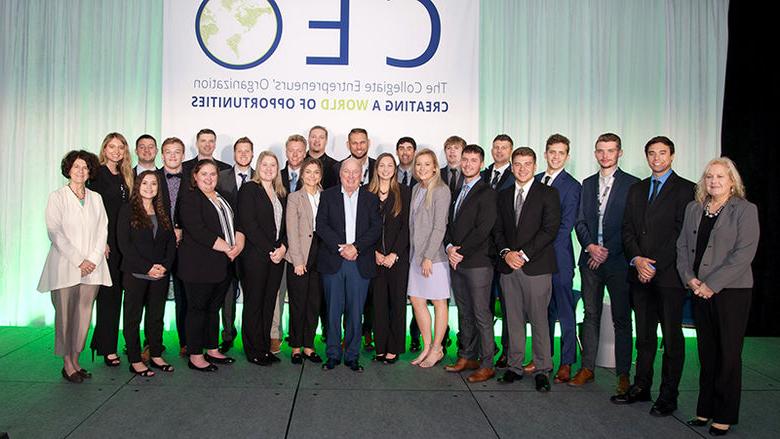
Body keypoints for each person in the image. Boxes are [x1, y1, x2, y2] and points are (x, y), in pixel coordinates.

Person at [676, 157, 759, 436]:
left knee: (728, 355)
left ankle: (724, 414)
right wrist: (690, 279)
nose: (714, 181)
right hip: (699, 289)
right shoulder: (694, 208)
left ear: (732, 181)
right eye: (709, 176)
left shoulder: (745, 210)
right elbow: (683, 247)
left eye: (720, 177)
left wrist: (711, 285)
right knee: (707, 353)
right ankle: (705, 410)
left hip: (731, 292)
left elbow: (743, 255)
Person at [616, 136, 695, 416]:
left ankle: (668, 395)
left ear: (672, 156)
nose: (657, 158)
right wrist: (637, 260)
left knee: (672, 339)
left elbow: (682, 234)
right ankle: (641, 387)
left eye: (662, 153)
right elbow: (627, 229)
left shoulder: (687, 190)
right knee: (645, 336)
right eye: (651, 153)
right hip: (639, 275)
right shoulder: (637, 189)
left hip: (670, 277)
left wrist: (654, 265)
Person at [569, 133, 639, 396]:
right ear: (595, 153)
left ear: (619, 152)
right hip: (590, 260)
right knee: (590, 315)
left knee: (622, 318)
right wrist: (590, 247)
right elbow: (579, 220)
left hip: (619, 261)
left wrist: (607, 251)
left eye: (610, 150)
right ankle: (587, 368)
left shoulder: (633, 185)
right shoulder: (586, 184)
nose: (605, 155)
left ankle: (623, 374)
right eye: (600, 150)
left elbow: (632, 225)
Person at [38, 150, 112, 383]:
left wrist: (92, 258)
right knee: (65, 316)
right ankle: (66, 363)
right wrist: (79, 260)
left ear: (90, 172)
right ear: (68, 169)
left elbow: (103, 230)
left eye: (85, 168)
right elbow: (55, 232)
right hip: (66, 266)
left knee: (84, 314)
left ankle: (76, 359)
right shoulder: (57, 197)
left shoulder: (96, 198)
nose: (81, 171)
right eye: (76, 167)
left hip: (93, 266)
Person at [493, 147, 560, 392]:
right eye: (518, 164)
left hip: (536, 266)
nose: (522, 168)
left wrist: (523, 254)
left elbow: (550, 229)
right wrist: (506, 253)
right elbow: (497, 230)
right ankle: (514, 366)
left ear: (534, 166)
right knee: (513, 319)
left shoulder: (548, 193)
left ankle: (542, 369)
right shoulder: (503, 195)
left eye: (527, 164)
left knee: (539, 320)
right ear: (511, 167)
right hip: (508, 267)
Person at [177, 159, 244, 372]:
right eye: (204, 174)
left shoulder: (222, 197)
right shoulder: (189, 198)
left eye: (213, 174)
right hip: (198, 266)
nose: (209, 178)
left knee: (213, 308)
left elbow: (237, 223)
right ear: (195, 176)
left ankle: (212, 348)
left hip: (222, 265)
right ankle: (196, 355)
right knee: (197, 309)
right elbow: (197, 229)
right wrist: (227, 247)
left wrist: (236, 247)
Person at [317, 158, 382, 372]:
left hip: (359, 261)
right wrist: (341, 248)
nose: (351, 176)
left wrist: (356, 247)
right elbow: (321, 225)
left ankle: (353, 356)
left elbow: (375, 228)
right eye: (347, 172)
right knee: (333, 311)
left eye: (356, 172)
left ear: (362, 174)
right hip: (334, 260)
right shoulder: (327, 196)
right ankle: (333, 354)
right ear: (340, 174)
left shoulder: (371, 199)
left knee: (356, 312)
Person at [443, 144, 498, 382]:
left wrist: (459, 251)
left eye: (473, 160)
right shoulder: (457, 190)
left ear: (481, 164)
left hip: (477, 264)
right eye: (465, 159)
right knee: (464, 312)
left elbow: (483, 230)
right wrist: (448, 248)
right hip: (457, 262)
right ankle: (467, 356)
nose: (467, 164)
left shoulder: (487, 192)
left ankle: (487, 363)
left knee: (481, 314)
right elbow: (449, 225)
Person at [530, 134, 581, 382]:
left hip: (558, 257)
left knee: (565, 311)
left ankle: (567, 362)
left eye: (561, 152)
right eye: (552, 151)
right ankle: (543, 358)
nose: (556, 156)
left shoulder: (573, 186)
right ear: (545, 153)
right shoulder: (535, 180)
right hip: (535, 260)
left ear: (567, 156)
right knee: (541, 312)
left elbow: (566, 226)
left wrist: (537, 248)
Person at [117, 171, 176, 376]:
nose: (149, 187)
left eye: (153, 184)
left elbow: (170, 244)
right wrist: (147, 267)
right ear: (137, 185)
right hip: (136, 275)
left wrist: (165, 266)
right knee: (133, 319)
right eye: (145, 183)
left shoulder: (162, 211)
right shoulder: (127, 211)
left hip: (159, 276)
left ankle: (156, 354)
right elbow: (124, 245)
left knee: (156, 317)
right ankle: (135, 358)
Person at [237, 151, 288, 366]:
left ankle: (265, 347)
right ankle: (253, 350)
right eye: (265, 164)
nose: (269, 169)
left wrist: (283, 248)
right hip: (255, 257)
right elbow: (249, 225)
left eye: (273, 165)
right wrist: (272, 249)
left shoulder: (281, 193)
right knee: (254, 303)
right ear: (258, 167)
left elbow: (286, 226)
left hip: (276, 258)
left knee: (269, 304)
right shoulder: (250, 189)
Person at [89, 132, 133, 367]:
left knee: (118, 296)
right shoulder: (97, 175)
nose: (116, 151)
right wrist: (101, 241)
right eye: (112, 146)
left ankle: (104, 342)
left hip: (124, 244)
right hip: (106, 246)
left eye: (120, 147)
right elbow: (92, 213)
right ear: (104, 149)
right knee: (108, 297)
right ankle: (107, 348)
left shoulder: (126, 176)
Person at [407, 148, 451, 368]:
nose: (422, 168)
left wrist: (428, 256)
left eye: (427, 164)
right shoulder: (416, 189)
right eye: (419, 164)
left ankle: (437, 348)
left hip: (434, 258)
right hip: (416, 257)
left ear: (435, 167)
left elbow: (439, 227)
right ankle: (426, 347)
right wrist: (417, 256)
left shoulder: (441, 190)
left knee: (439, 302)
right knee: (417, 300)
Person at [367, 153, 411, 364]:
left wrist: (394, 254)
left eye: (389, 165)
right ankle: (380, 347)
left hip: (397, 260)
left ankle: (394, 347)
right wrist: (374, 252)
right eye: (381, 165)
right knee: (378, 306)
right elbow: (363, 227)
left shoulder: (404, 192)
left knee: (397, 304)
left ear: (395, 168)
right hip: (374, 259)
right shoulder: (367, 192)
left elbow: (406, 228)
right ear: (376, 169)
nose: (385, 169)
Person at [216, 136, 255, 354]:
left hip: (252, 248)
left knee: (252, 293)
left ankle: (251, 335)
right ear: (234, 154)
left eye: (247, 151)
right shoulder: (220, 178)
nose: (243, 154)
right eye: (239, 151)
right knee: (227, 293)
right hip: (227, 247)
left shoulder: (262, 177)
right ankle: (228, 334)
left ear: (252, 153)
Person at [285, 157, 325, 364]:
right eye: (308, 172)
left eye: (316, 172)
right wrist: (298, 261)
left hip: (321, 256)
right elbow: (291, 230)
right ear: (302, 174)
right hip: (299, 255)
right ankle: (295, 347)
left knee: (314, 303)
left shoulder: (326, 197)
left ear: (320, 175)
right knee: (298, 303)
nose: (312, 176)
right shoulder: (294, 197)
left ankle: (309, 346)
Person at [481, 134, 515, 368]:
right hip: (482, 251)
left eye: (504, 148)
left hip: (505, 250)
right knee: (483, 304)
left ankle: (508, 350)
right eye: (496, 147)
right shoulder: (482, 175)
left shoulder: (518, 176)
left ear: (510, 151)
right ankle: (486, 347)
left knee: (507, 304)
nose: (500, 151)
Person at [272, 135, 307, 354]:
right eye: (291, 150)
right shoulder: (275, 176)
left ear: (305, 153)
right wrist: (282, 244)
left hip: (303, 247)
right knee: (276, 292)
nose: (295, 155)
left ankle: (299, 336)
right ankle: (275, 334)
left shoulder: (313, 178)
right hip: (278, 245)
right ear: (286, 152)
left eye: (299, 151)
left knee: (299, 295)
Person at [156, 137, 188, 356]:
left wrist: (182, 229)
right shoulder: (152, 178)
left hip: (186, 245)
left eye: (177, 152)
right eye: (168, 152)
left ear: (183, 155)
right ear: (162, 154)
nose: (173, 156)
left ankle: (186, 341)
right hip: (158, 243)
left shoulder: (193, 179)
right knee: (155, 297)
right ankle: (153, 344)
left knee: (184, 295)